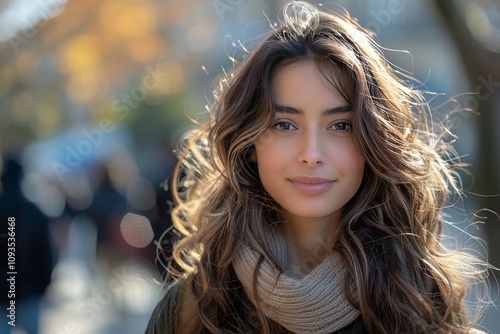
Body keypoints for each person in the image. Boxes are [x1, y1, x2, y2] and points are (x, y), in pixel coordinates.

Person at [146, 1, 490, 333]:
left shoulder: (423, 305)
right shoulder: (188, 312)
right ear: (249, 143)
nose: (311, 154)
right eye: (284, 124)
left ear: (374, 142)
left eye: (340, 125)